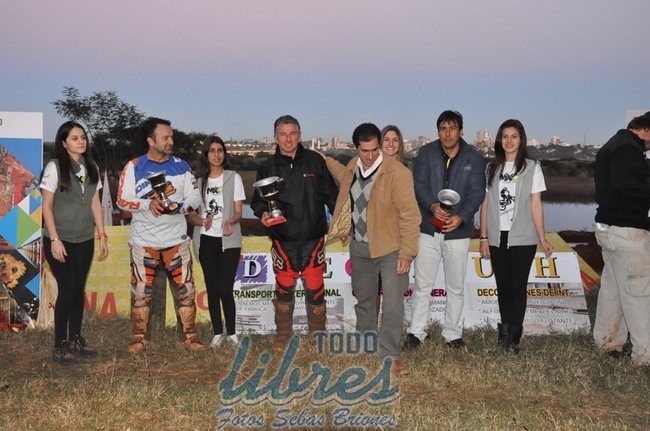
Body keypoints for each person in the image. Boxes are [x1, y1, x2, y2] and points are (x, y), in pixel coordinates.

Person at [326, 123, 420, 376]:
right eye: (364, 150)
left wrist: (406, 253)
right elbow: (341, 176)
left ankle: (390, 355)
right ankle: (366, 344)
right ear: (356, 148)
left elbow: (410, 216)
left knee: (393, 304)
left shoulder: (398, 173)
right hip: (359, 246)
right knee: (364, 300)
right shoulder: (352, 166)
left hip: (391, 249)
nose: (370, 155)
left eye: (374, 149)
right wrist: (324, 159)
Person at [250, 115, 338, 351]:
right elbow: (258, 202)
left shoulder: (315, 162)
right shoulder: (267, 167)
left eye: (292, 134)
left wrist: (341, 223)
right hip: (283, 238)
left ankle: (318, 334)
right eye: (283, 134)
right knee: (284, 288)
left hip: (313, 237)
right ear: (275, 138)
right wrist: (263, 214)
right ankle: (283, 335)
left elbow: (331, 195)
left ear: (300, 136)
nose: (288, 139)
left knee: (315, 288)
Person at [117, 117, 204, 354]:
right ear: (150, 140)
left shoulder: (181, 165)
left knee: (186, 291)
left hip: (177, 240)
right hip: (144, 242)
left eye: (171, 137)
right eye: (165, 137)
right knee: (140, 293)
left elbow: (195, 196)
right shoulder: (134, 166)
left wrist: (182, 207)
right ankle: (139, 338)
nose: (170, 141)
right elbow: (122, 200)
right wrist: (148, 204)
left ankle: (189, 336)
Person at [405, 110, 485, 350]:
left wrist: (461, 217)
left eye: (452, 128)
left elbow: (477, 193)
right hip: (428, 229)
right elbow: (419, 185)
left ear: (461, 131)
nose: (447, 133)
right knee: (422, 286)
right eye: (443, 128)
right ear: (438, 131)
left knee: (456, 288)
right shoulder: (426, 153)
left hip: (458, 232)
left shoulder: (474, 157)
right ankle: (416, 332)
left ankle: (452, 334)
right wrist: (432, 206)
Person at [479, 119, 553, 354]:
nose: (509, 141)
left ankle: (513, 341)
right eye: (505, 136)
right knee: (503, 286)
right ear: (499, 140)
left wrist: (542, 238)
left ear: (521, 140)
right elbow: (485, 204)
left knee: (517, 287)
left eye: (514, 136)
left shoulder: (532, 167)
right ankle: (503, 340)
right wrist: (483, 237)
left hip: (523, 237)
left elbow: (536, 204)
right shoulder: (491, 168)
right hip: (497, 237)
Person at [40, 121, 108, 363]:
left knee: (78, 289)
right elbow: (46, 206)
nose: (81, 142)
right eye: (74, 138)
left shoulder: (92, 167)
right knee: (68, 287)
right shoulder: (55, 167)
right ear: (64, 143)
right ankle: (59, 345)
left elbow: (95, 204)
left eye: (83, 137)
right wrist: (55, 239)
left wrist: (101, 235)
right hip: (59, 239)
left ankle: (75, 338)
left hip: (85, 239)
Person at [592, 111, 650, 366]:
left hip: (609, 227)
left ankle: (607, 342)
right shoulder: (629, 149)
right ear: (646, 131)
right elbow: (626, 184)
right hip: (628, 230)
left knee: (613, 290)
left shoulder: (613, 144)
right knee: (638, 294)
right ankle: (644, 356)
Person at [187, 136, 245, 348]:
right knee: (212, 288)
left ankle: (232, 333)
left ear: (224, 154)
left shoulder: (234, 178)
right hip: (206, 240)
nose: (217, 154)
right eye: (212, 150)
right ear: (206, 155)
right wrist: (203, 221)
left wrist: (231, 221)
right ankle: (217, 333)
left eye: (220, 150)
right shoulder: (198, 182)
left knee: (225, 288)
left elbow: (238, 212)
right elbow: (191, 215)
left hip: (229, 240)